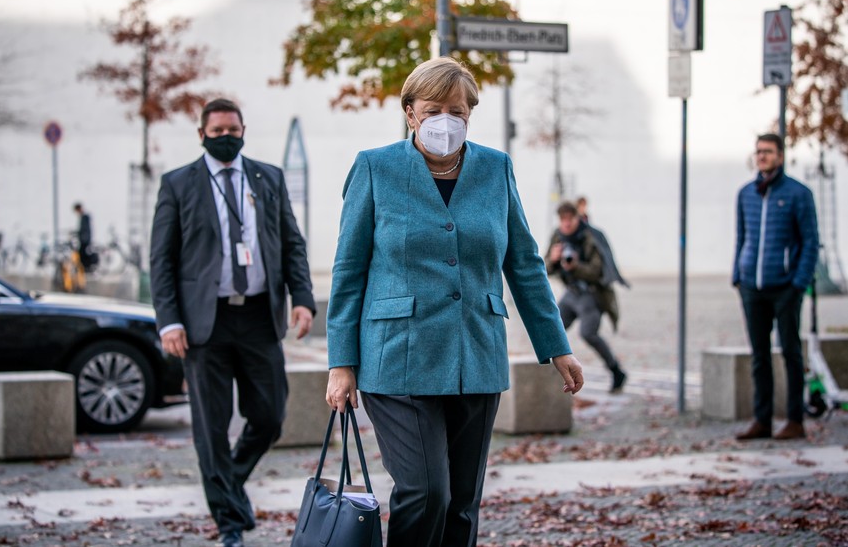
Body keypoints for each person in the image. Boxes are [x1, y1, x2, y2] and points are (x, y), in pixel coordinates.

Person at [324, 57, 583, 547]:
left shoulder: (495, 167)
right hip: (397, 357)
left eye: (458, 111)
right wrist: (342, 362)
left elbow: (524, 262)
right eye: (435, 109)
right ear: (410, 113)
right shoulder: (375, 167)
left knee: (462, 504)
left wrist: (556, 345)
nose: (448, 119)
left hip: (476, 353)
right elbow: (349, 269)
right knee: (426, 493)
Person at [150, 98, 316, 547]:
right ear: (201, 134)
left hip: (260, 315)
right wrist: (169, 322)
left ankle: (230, 485)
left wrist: (302, 298)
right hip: (205, 324)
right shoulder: (178, 183)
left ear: (244, 130)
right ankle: (229, 525)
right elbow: (161, 260)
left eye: (233, 130)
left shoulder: (268, 178)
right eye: (217, 131)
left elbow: (291, 243)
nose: (226, 138)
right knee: (212, 426)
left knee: (269, 415)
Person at [733, 133, 818, 441]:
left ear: (780, 156)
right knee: (759, 355)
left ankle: (795, 419)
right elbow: (742, 238)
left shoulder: (798, 194)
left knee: (791, 352)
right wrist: (737, 276)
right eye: (758, 152)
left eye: (768, 152)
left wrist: (799, 282)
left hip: (785, 287)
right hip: (752, 287)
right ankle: (762, 419)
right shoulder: (746, 194)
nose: (762, 157)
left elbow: (810, 241)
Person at [546, 201, 627, 392]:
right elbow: (544, 267)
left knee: (588, 333)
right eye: (562, 220)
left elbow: (598, 272)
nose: (566, 224)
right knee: (551, 328)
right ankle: (551, 378)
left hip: (591, 294)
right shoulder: (558, 236)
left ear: (577, 218)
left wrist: (576, 266)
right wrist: (553, 259)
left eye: (569, 219)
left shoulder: (591, 237)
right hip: (571, 293)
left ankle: (616, 371)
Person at [73, 202, 98, 272]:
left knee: (83, 253)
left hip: (85, 239)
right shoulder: (83, 217)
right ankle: (85, 268)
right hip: (83, 239)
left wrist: (80, 234)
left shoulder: (85, 217)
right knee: (82, 253)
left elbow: (85, 229)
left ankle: (87, 268)